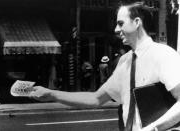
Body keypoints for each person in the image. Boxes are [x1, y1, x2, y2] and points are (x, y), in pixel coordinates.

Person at [29, 2, 180, 131]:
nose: (115, 29)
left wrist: (153, 128)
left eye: (120, 23)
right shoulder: (124, 62)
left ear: (137, 22)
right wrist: (51, 94)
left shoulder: (163, 55)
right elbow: (95, 98)